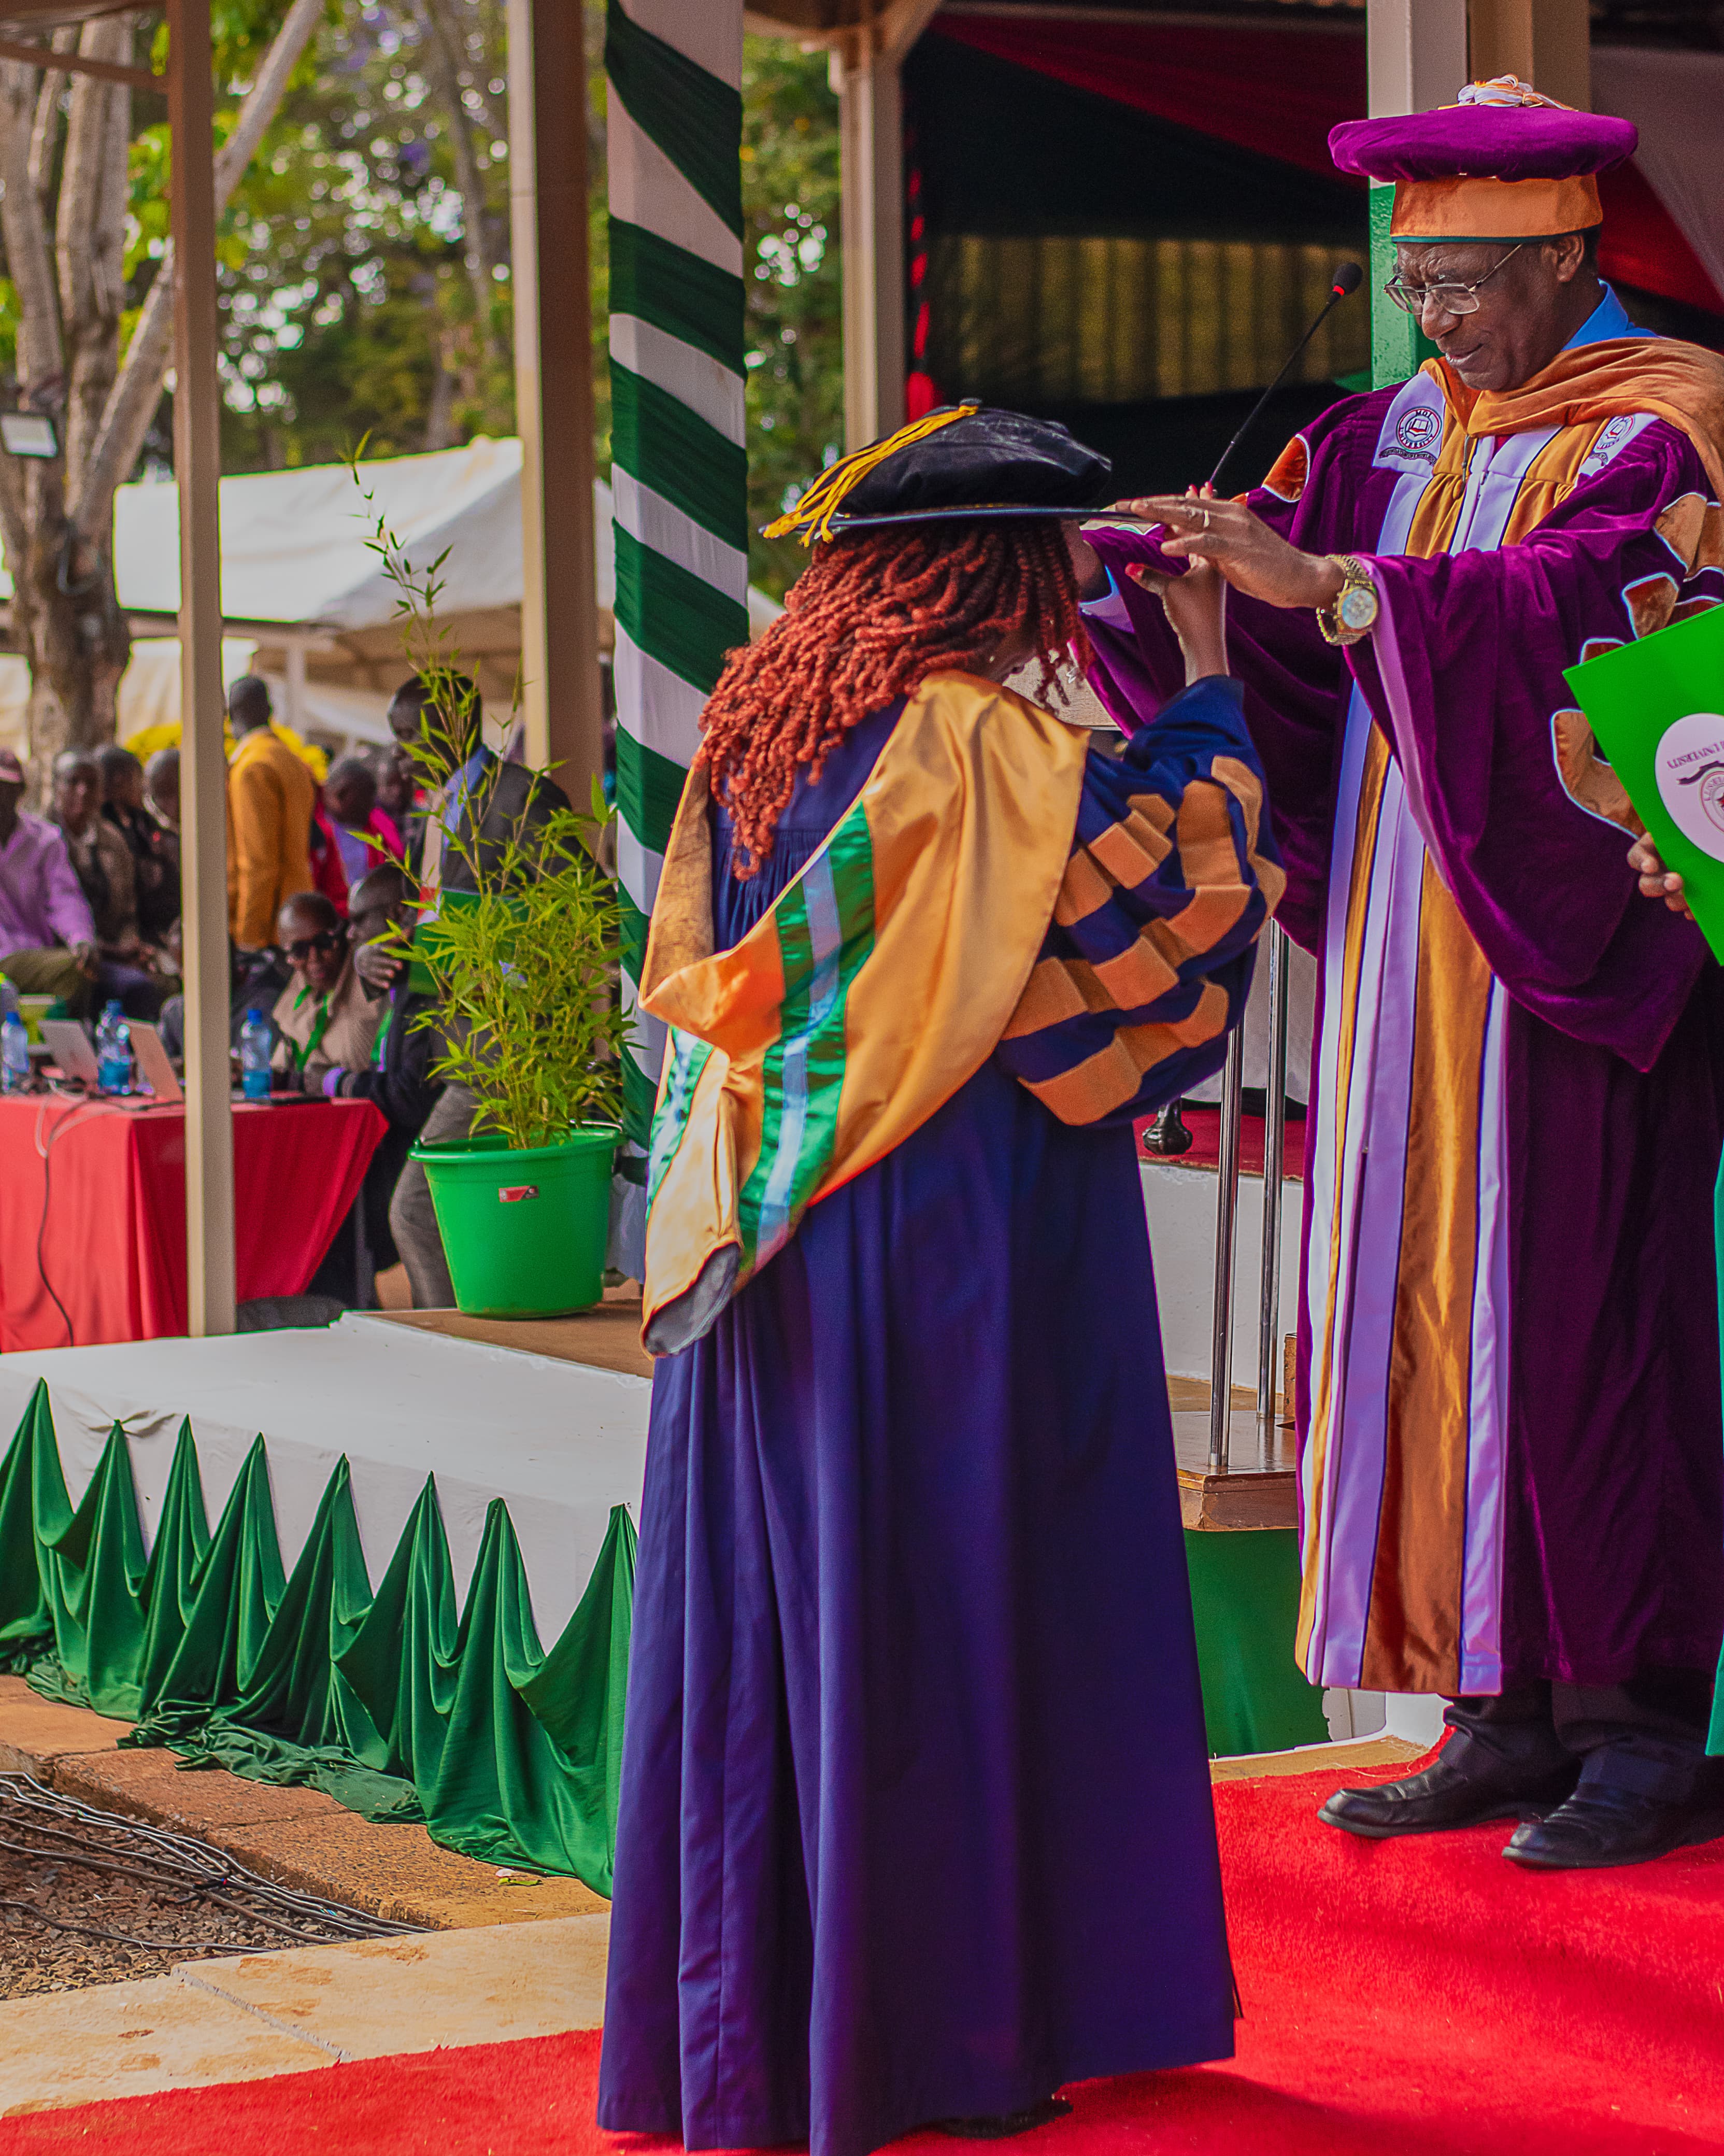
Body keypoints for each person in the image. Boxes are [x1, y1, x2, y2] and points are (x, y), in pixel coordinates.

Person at [599, 409, 1280, 2156]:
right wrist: (1205, 676)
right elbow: (1169, 916)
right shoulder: (985, 748)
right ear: (1005, 575)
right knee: (952, 1590)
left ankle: (760, 2035)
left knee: (791, 1609)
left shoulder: (755, 732)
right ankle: (943, 2035)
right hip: (957, 1231)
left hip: (771, 1226)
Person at [1076, 78, 1724, 1869]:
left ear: (1567, 258)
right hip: (1391, 947)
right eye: (1415, 281)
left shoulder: (1665, 424)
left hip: (1566, 946)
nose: (1436, 316)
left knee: (1583, 1324)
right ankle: (1484, 1701)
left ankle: (1632, 1724)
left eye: (1466, 282)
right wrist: (1154, 577)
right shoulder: (1377, 432)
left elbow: (1589, 600)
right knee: (1411, 1316)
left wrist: (1343, 590)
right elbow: (1289, 630)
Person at [382, 668, 570, 1308]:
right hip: (459, 1045)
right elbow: (439, 915)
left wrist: (504, 957)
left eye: (409, 736)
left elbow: (581, 908)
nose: (400, 755)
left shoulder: (521, 798)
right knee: (481, 1218)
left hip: (507, 1051)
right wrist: (395, 949)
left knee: (416, 1210)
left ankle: (446, 1338)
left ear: (454, 725)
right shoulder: (438, 808)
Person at [312, 861, 443, 1295]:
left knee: (406, 1213)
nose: (349, 936)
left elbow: (408, 1097)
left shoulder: (424, 986)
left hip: (421, 1146)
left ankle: (437, 1322)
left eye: (358, 920)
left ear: (399, 915)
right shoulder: (399, 984)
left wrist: (335, 1083)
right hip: (395, 1147)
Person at [50, 750, 161, 1019]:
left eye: (91, 784)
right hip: (65, 954)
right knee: (134, 987)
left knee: (155, 982)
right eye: (73, 782)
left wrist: (131, 950)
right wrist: (111, 952)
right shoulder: (42, 838)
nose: (83, 792)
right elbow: (49, 916)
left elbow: (127, 913)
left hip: (111, 953)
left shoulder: (113, 841)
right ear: (56, 787)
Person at [0, 746, 103, 1011]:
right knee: (69, 970)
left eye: (6, 787)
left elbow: (64, 896)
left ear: (20, 791)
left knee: (80, 966)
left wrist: (81, 939)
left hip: (33, 953)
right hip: (7, 955)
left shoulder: (45, 839)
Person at [226, 674, 315, 953]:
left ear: (231, 714)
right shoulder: (291, 760)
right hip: (298, 910)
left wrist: (248, 937)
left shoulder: (251, 767)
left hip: (270, 926)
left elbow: (258, 863)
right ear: (270, 710)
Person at [268, 891, 378, 1091]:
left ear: (341, 934)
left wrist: (328, 1079)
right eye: (299, 950)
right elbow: (281, 1067)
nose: (314, 958)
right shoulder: (300, 984)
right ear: (288, 955)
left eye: (323, 942)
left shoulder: (369, 978)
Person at [97, 743, 179, 945]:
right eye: (137, 778)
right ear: (119, 781)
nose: (142, 787)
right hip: (131, 937)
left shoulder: (140, 822)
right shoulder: (104, 832)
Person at [321, 754, 405, 896]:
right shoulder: (314, 830)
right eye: (366, 796)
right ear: (341, 794)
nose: (373, 804)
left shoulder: (377, 827)